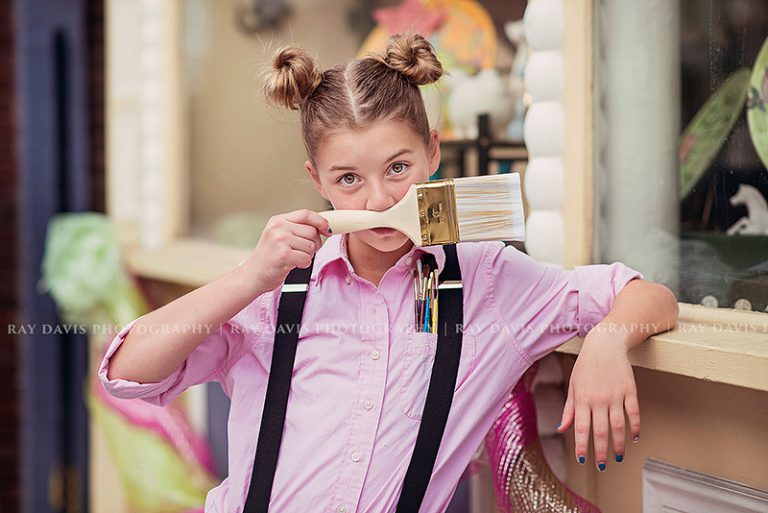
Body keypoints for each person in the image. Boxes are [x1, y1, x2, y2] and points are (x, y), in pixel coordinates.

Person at [99, 33, 679, 513]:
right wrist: (249, 277)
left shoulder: (488, 282)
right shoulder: (274, 291)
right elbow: (126, 374)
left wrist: (606, 344)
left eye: (398, 168)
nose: (378, 200)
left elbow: (647, 296)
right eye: (348, 178)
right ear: (318, 180)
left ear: (432, 153)